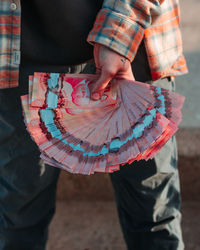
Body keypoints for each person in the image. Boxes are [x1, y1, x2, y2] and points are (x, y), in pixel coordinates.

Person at [0, 0, 188, 249]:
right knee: (18, 217)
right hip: (21, 54)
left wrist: (119, 35)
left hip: (136, 47)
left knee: (154, 213)